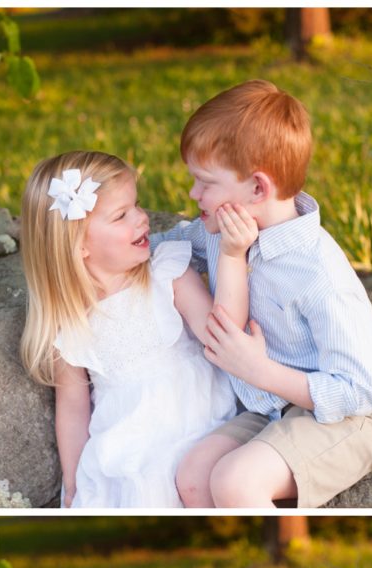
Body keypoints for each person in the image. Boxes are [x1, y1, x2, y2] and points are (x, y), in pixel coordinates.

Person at [151, 80, 372, 509]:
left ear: (258, 188)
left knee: (234, 482)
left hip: (350, 416)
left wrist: (258, 369)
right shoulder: (219, 231)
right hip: (272, 404)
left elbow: (359, 390)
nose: (193, 194)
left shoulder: (318, 272)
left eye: (205, 182)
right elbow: (168, 246)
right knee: (192, 476)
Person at [19, 149, 260, 508]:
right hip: (127, 448)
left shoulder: (166, 272)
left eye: (137, 205)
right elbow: (72, 408)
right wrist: (72, 483)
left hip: (197, 423)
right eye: (121, 215)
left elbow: (223, 332)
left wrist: (232, 254)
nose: (141, 218)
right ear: (78, 245)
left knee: (194, 483)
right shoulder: (70, 323)